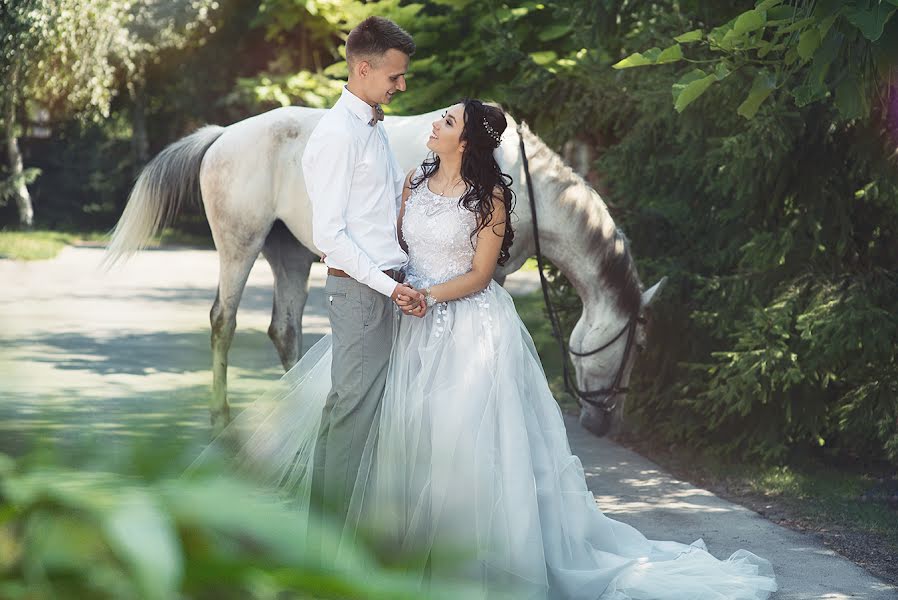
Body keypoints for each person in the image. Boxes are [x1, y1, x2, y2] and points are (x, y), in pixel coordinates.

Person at [199, 98, 778, 598]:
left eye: (446, 120)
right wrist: (379, 279)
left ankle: (473, 559)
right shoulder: (413, 182)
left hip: (464, 320)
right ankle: (399, 548)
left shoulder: (493, 200)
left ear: (467, 139)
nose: (434, 122)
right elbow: (393, 242)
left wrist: (424, 295)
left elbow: (479, 274)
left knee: (464, 438)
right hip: (414, 314)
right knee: (405, 432)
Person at [299, 16, 424, 524]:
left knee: (373, 412)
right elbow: (329, 237)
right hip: (360, 290)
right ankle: (323, 541)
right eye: (395, 76)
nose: (402, 85)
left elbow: (389, 211)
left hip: (391, 283)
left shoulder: (374, 126)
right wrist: (388, 287)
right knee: (350, 411)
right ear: (364, 68)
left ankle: (352, 530)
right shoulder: (336, 136)